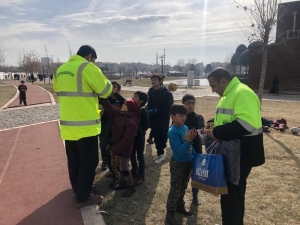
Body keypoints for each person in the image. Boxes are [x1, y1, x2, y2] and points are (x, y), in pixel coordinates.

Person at [53, 45, 112, 209]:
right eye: (93, 59)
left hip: (67, 125)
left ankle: (78, 190)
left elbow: (57, 89)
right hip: (85, 126)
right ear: (90, 56)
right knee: (88, 162)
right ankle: (83, 197)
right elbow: (106, 90)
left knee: (74, 161)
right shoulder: (88, 67)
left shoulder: (61, 69)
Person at [207, 67, 265, 225]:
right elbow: (230, 118)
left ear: (223, 81)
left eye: (213, 86)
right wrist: (213, 123)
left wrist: (217, 132)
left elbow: (245, 125)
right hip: (233, 153)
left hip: (242, 154)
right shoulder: (228, 94)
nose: (213, 90)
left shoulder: (242, 93)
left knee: (232, 195)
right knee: (233, 193)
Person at [99, 98, 140, 197]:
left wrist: (115, 149)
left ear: (130, 108)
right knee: (118, 164)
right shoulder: (119, 115)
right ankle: (122, 182)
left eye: (125, 105)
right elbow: (109, 108)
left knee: (124, 167)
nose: (123, 105)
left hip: (125, 148)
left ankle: (131, 185)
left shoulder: (131, 122)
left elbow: (127, 139)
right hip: (117, 146)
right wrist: (102, 98)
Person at [166, 104, 197, 225]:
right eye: (180, 115)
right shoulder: (173, 132)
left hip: (188, 162)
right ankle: (170, 212)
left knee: (183, 186)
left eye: (185, 115)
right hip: (178, 164)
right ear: (172, 116)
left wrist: (194, 157)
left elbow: (190, 147)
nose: (183, 118)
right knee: (175, 189)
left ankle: (180, 206)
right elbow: (179, 150)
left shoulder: (185, 127)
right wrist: (189, 140)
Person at [181, 94, 205, 206]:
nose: (191, 106)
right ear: (183, 104)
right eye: (188, 103)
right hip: (183, 150)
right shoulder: (179, 117)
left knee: (196, 175)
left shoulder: (198, 117)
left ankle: (195, 196)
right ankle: (180, 198)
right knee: (182, 175)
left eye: (193, 103)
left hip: (196, 149)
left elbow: (200, 132)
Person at [147, 74, 174, 164]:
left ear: (160, 81)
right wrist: (148, 110)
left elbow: (169, 107)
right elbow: (149, 102)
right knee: (157, 135)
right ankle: (160, 154)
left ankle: (162, 147)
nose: (153, 81)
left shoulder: (166, 93)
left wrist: (157, 110)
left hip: (163, 118)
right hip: (153, 117)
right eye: (152, 80)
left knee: (162, 136)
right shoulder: (150, 91)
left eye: (155, 80)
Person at [99, 81, 125, 172]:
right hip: (105, 123)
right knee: (103, 142)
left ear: (119, 90)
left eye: (114, 87)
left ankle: (116, 163)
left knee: (113, 143)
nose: (112, 89)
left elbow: (124, 101)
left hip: (116, 125)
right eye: (111, 87)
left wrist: (116, 95)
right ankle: (105, 161)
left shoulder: (120, 100)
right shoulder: (105, 98)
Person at [131, 91, 149, 185]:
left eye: (136, 96)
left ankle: (141, 174)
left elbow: (146, 126)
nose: (133, 97)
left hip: (139, 138)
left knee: (140, 156)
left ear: (141, 101)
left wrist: (139, 131)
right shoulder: (132, 110)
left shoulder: (144, 112)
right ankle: (134, 170)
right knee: (131, 154)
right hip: (131, 137)